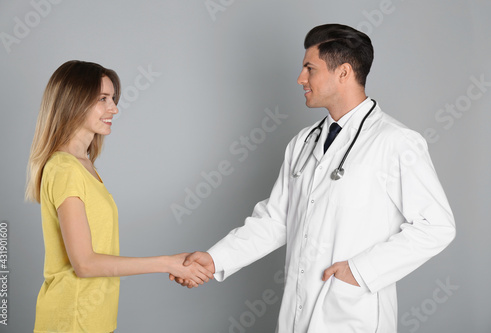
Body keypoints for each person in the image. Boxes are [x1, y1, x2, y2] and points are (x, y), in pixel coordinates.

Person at [170, 24, 456, 332]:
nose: (300, 79)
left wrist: (359, 271)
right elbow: (276, 220)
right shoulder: (304, 142)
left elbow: (437, 227)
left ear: (343, 73)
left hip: (352, 312)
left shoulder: (395, 141)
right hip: (298, 311)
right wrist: (215, 260)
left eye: (310, 69)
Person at [25, 60, 213, 333]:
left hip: (93, 320)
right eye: (102, 99)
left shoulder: (83, 165)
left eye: (113, 98)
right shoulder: (65, 169)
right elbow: (85, 264)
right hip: (71, 320)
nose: (114, 108)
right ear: (73, 102)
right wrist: (167, 263)